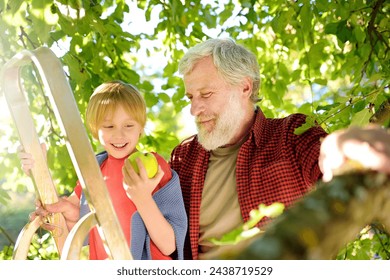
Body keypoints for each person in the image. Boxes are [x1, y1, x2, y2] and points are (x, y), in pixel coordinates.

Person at [169, 38, 390, 260]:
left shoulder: (291, 134)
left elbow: (325, 158)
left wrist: (344, 147)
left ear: (244, 87)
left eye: (206, 94)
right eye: (190, 97)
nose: (194, 109)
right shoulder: (183, 157)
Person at [21, 81, 187, 260]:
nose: (119, 134)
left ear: (141, 127)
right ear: (94, 130)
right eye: (109, 126)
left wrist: (143, 198)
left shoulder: (154, 166)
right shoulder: (93, 170)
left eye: (129, 125)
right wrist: (39, 173)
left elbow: (170, 245)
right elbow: (68, 223)